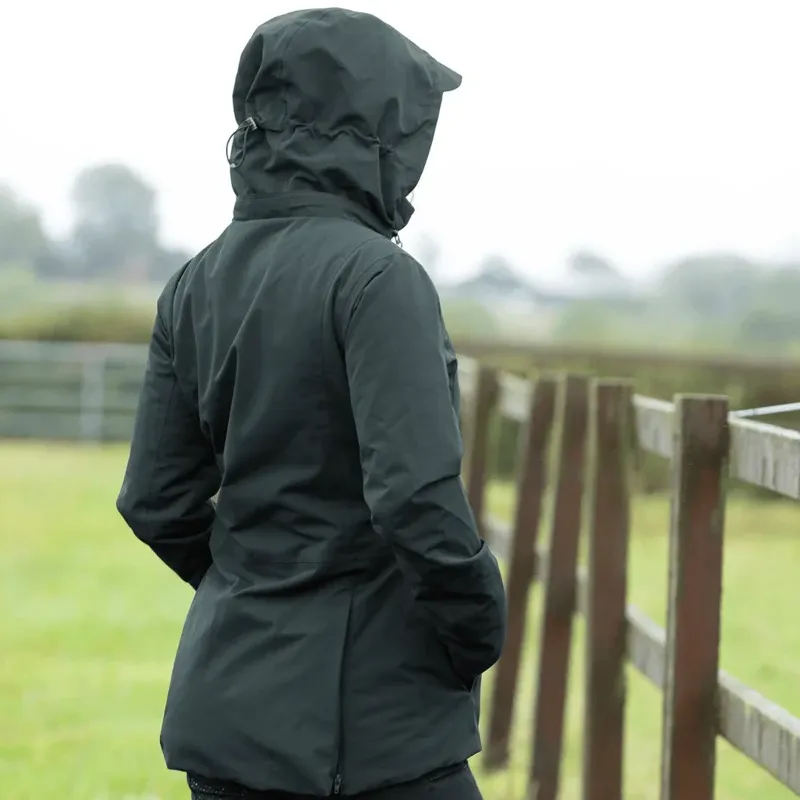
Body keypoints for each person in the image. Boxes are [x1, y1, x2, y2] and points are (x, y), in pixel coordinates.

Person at [116, 8, 507, 799]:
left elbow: (155, 500)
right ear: (380, 130)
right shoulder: (379, 279)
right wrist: (477, 630)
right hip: (372, 737)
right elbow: (415, 499)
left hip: (226, 718)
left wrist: (253, 592)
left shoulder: (193, 283)